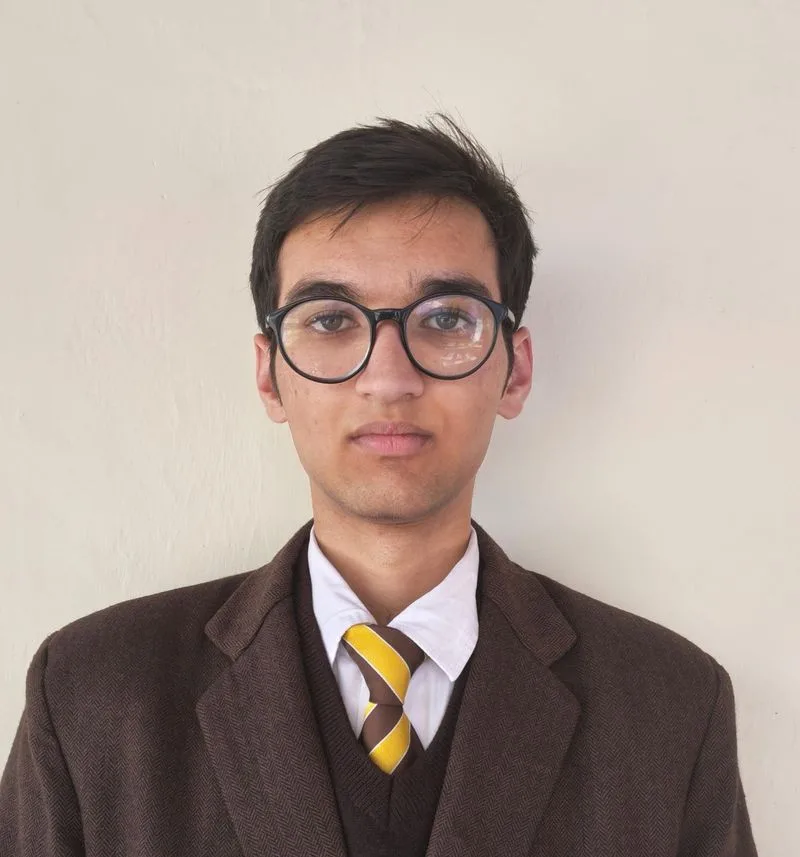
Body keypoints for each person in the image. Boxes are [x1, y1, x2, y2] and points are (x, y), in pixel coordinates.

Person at [0, 116, 757, 857]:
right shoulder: (92, 696)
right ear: (269, 375)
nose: (388, 379)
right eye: (331, 321)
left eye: (447, 319)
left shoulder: (669, 708)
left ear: (515, 370)